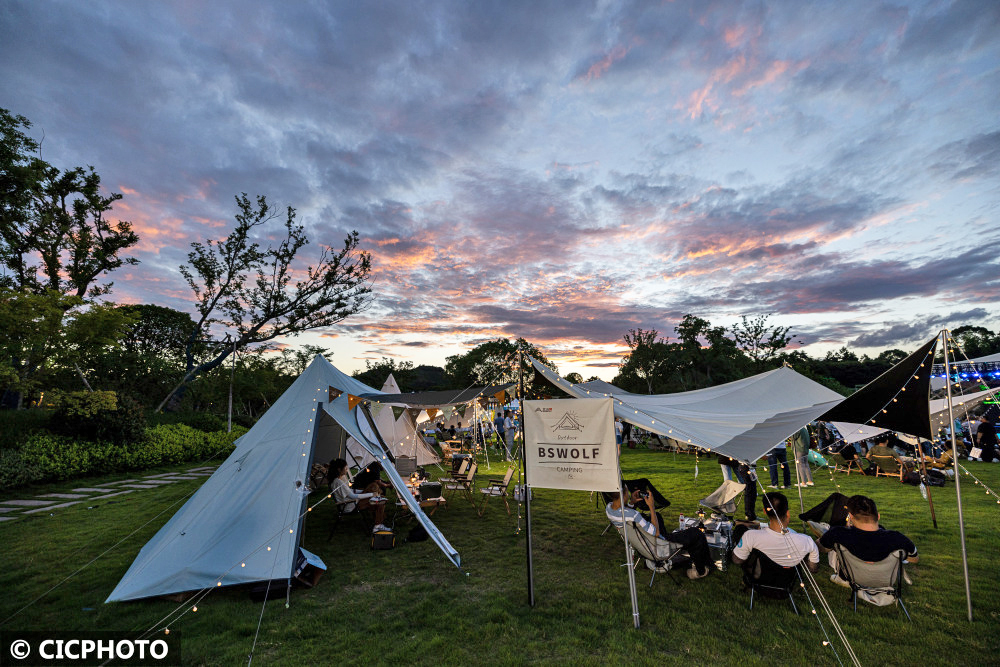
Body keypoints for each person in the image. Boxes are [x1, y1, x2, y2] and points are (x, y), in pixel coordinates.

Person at [605, 487, 714, 579]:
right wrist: (651, 506)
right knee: (696, 533)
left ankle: (660, 558)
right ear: (623, 494)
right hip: (658, 545)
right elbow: (656, 533)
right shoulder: (633, 515)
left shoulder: (609, 509)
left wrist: (632, 502)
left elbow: (625, 512)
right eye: (627, 492)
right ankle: (700, 571)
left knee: (658, 516)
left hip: (644, 545)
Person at [815, 494, 918, 587]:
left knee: (834, 548)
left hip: (852, 577)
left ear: (850, 517)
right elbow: (914, 559)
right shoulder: (897, 538)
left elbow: (820, 548)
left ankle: (843, 579)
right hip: (885, 580)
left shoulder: (839, 533)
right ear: (878, 516)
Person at [732, 492, 820, 574]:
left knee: (740, 530)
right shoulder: (807, 541)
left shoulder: (751, 536)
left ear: (765, 511)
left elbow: (737, 560)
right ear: (788, 513)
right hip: (787, 582)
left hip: (759, 578)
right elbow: (813, 569)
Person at [329, 458, 387, 529]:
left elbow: (350, 491)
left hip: (354, 502)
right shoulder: (338, 483)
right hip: (350, 505)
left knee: (374, 486)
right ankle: (378, 526)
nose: (347, 470)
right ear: (339, 469)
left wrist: (366, 491)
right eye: (346, 468)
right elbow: (352, 496)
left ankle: (379, 520)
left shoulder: (338, 480)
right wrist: (372, 494)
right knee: (381, 499)